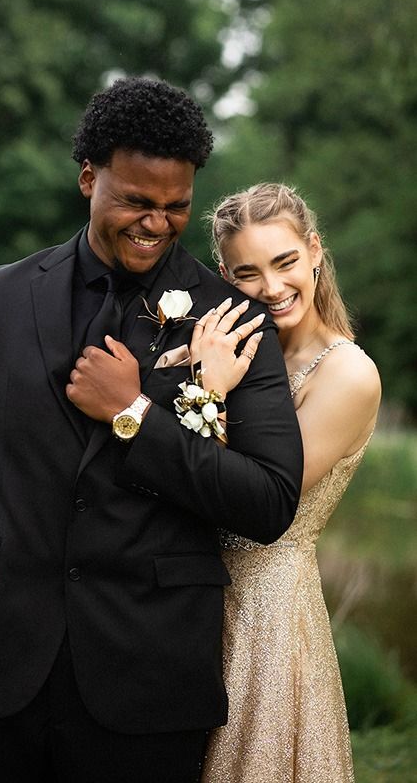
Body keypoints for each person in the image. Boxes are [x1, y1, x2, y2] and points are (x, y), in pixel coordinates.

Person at [0, 78, 304, 783]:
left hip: (146, 678)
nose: (155, 223)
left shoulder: (233, 319)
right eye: (136, 202)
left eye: (175, 207)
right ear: (88, 178)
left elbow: (267, 502)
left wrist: (130, 415)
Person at [199, 182, 381, 783]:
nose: (272, 289)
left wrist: (209, 393)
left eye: (285, 262)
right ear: (224, 275)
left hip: (269, 610)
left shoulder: (347, 373)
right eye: (247, 273)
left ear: (315, 251)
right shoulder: (238, 349)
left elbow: (264, 495)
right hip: (198, 598)